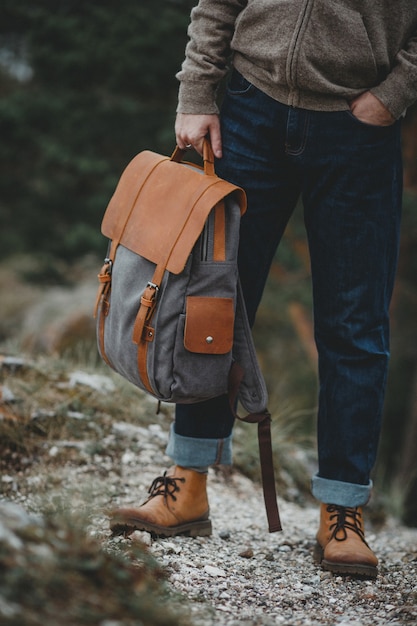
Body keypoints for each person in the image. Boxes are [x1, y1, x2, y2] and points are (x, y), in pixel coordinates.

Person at [110, 1, 417, 579]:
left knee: (354, 322)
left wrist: (396, 91)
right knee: (209, 300)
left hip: (359, 127)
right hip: (250, 108)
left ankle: (342, 510)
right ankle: (188, 484)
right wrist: (198, 91)